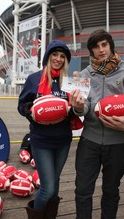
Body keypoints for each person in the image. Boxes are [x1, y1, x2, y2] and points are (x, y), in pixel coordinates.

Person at [70, 29, 124, 219]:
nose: (101, 50)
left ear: (110, 46)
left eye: (104, 44)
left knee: (111, 191)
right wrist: (77, 107)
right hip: (89, 142)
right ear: (91, 51)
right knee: (83, 190)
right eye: (96, 46)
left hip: (118, 144)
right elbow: (82, 108)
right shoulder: (83, 75)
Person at [18, 40, 73, 219]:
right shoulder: (34, 79)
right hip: (41, 140)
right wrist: (31, 112)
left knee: (54, 186)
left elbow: (74, 110)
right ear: (48, 56)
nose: (58, 59)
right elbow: (22, 105)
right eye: (55, 55)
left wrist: (79, 106)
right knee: (47, 189)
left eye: (62, 56)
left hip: (63, 140)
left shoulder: (68, 82)